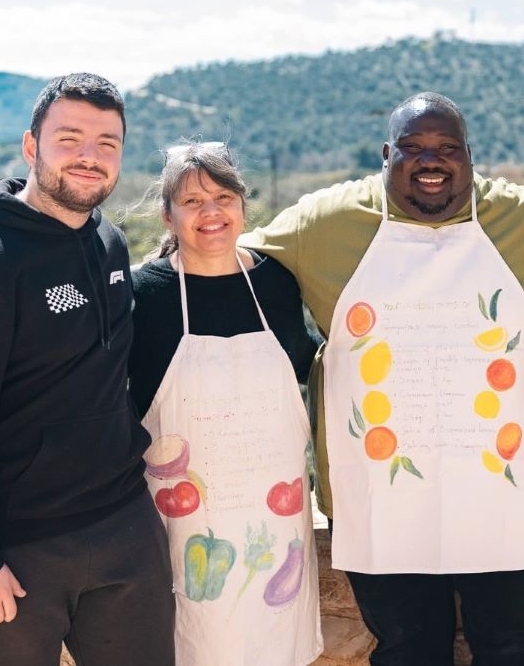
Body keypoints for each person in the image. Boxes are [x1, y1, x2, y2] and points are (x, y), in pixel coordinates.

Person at [238, 92, 524, 665]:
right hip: (382, 496)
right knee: (407, 651)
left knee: (516, 648)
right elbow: (226, 260)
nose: (431, 160)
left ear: (470, 157)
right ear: (385, 155)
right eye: (412, 147)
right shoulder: (323, 222)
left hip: (501, 498)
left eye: (447, 148)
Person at [0, 73, 174, 665]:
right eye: (69, 138)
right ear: (31, 147)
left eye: (107, 143)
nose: (89, 157)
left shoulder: (109, 243)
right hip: (13, 555)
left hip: (122, 528)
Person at [128, 141, 322, 665]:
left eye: (222, 196)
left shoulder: (276, 282)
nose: (210, 212)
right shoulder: (144, 296)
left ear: (242, 205)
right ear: (168, 216)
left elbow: (311, 365)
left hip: (276, 523)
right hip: (185, 527)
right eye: (191, 202)